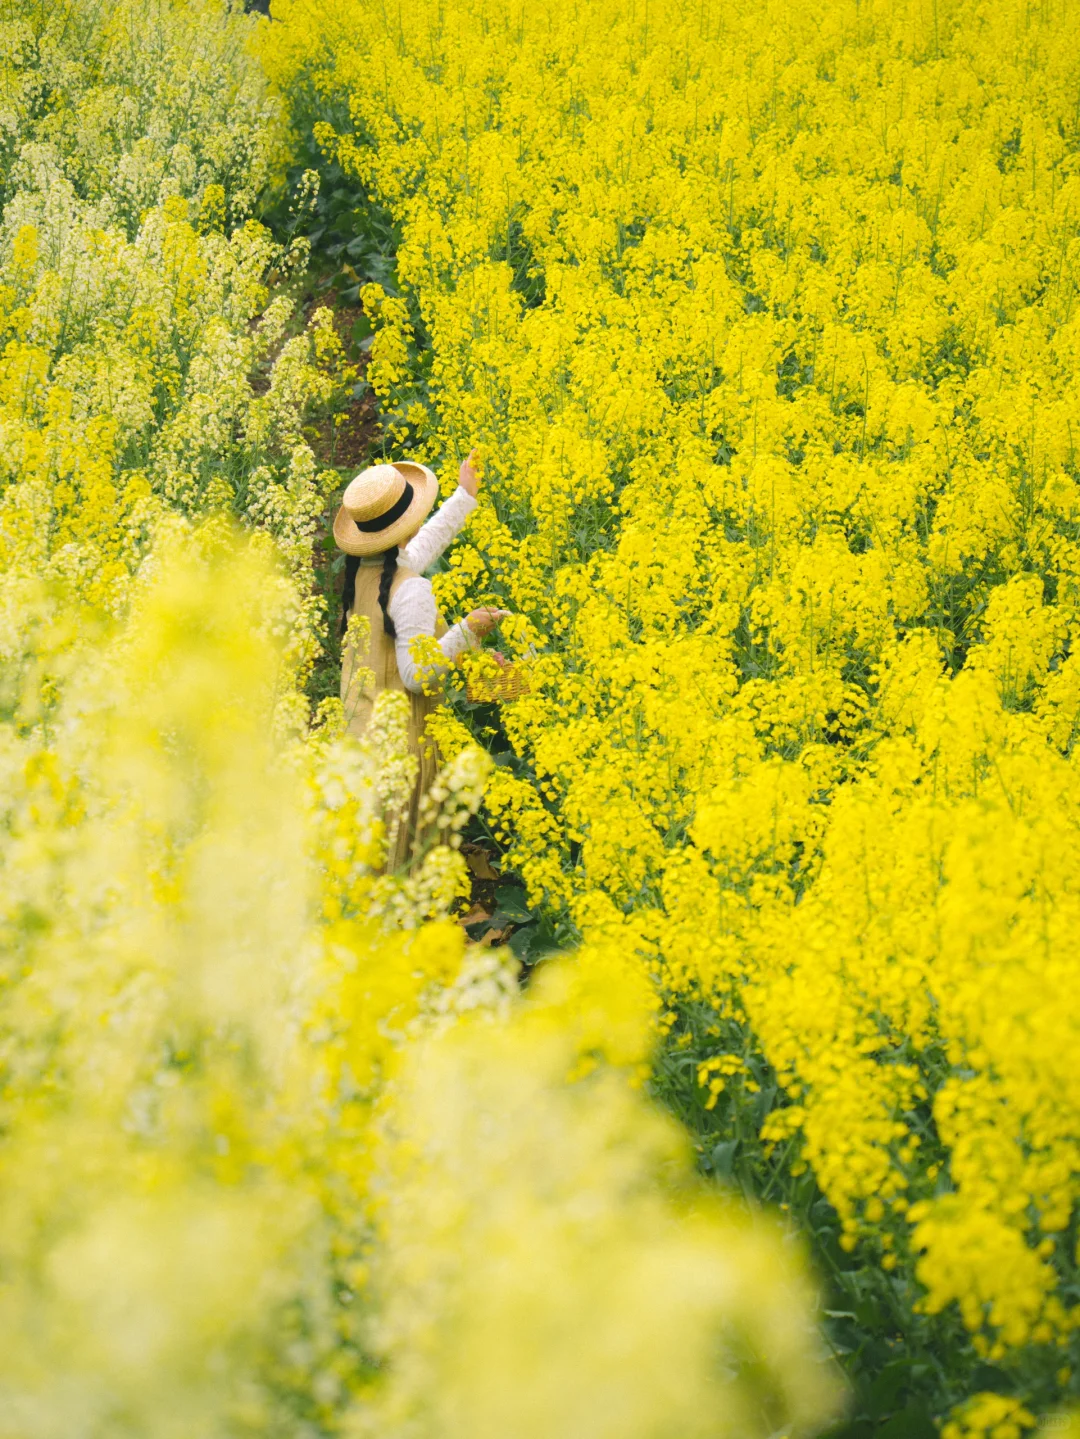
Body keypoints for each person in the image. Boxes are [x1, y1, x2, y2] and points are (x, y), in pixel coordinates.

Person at [333, 449, 508, 869]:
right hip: (401, 744)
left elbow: (417, 550)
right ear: (404, 527)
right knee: (401, 867)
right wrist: (468, 631)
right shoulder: (412, 590)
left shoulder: (363, 570)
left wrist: (463, 498)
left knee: (366, 859)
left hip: (361, 731)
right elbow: (416, 676)